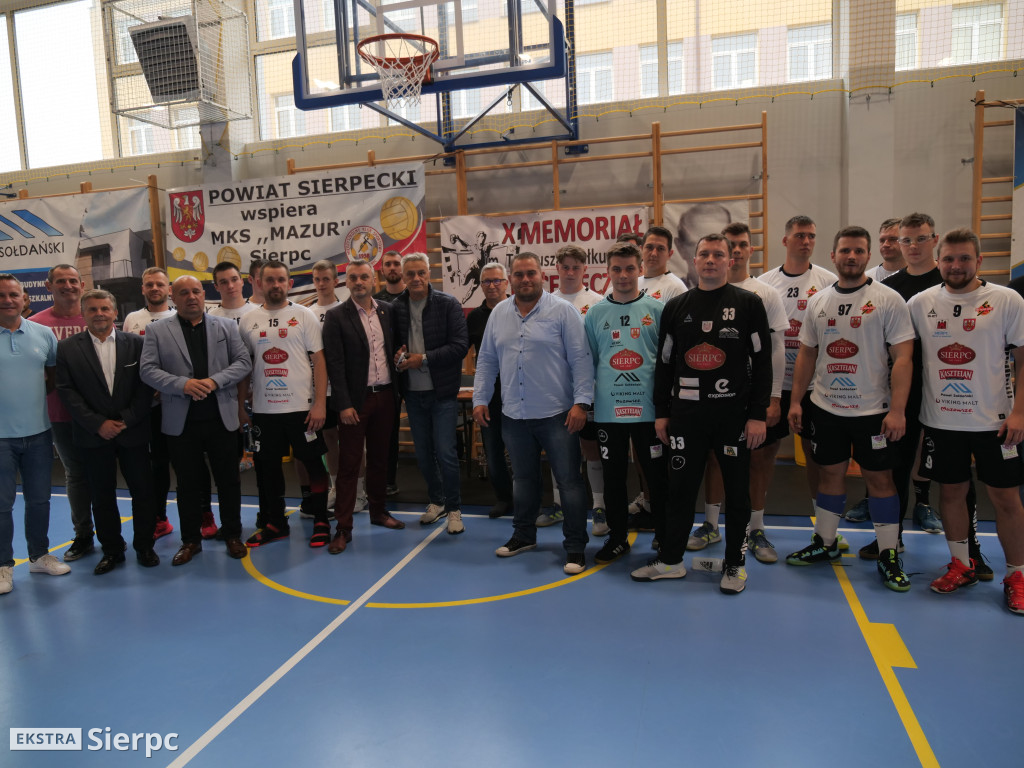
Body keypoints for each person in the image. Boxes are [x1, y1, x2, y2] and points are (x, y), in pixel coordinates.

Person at [636, 234, 771, 594]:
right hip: (686, 416)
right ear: (694, 261)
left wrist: (758, 414)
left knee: (737, 493)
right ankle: (670, 561)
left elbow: (762, 362)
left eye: (718, 254)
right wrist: (662, 412)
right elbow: (665, 364)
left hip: (733, 416)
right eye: (705, 254)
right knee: (680, 490)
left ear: (730, 260)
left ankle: (735, 564)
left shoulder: (749, 304)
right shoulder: (676, 306)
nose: (711, 260)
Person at [784, 227, 916, 592]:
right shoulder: (819, 301)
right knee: (829, 475)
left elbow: (903, 358)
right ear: (834, 256)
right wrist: (795, 401)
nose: (852, 256)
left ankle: (889, 553)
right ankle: (825, 542)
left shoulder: (888, 299)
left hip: (873, 411)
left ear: (868, 256)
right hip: (826, 408)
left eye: (859, 251)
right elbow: (807, 354)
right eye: (845, 251)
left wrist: (898, 410)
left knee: (881, 481)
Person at [908, 228, 1024, 614]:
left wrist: (1020, 413)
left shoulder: (1006, 300)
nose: (956, 266)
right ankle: (961, 565)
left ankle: (1018, 575)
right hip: (941, 420)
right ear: (938, 261)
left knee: (1006, 499)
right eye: (949, 259)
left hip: (995, 422)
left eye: (964, 258)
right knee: (951, 493)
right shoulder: (921, 303)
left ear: (979, 261)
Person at [473, 252, 595, 575]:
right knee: (524, 480)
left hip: (558, 414)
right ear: (511, 279)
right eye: (519, 274)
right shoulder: (499, 314)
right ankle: (524, 535)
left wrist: (582, 403)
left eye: (531, 273)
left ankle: (575, 547)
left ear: (542, 275)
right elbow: (486, 360)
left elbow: (581, 359)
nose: (525, 279)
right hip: (514, 415)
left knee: (569, 483)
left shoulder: (563, 311)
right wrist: (480, 398)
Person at [140, 276, 252, 565]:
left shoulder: (226, 326)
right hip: (181, 422)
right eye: (183, 292)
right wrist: (183, 385)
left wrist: (214, 382)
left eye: (195, 291)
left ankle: (232, 534)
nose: (191, 297)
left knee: (229, 481)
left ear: (204, 294)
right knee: (187, 484)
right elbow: (147, 370)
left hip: (221, 418)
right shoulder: (156, 330)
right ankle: (191, 540)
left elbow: (243, 362)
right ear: (173, 297)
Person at [697, 222, 789, 563]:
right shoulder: (702, 293)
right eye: (730, 244)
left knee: (760, 460)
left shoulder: (765, 294)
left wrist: (773, 398)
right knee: (714, 458)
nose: (735, 250)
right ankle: (710, 524)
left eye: (741, 245)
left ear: (750, 250)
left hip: (755, 396)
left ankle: (756, 528)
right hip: (715, 397)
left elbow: (775, 350)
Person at [56, 289, 160, 575]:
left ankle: (145, 546)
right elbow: (67, 392)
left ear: (115, 313)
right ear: (83, 314)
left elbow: (145, 387)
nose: (99, 314)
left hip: (133, 432)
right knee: (101, 496)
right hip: (93, 435)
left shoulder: (137, 344)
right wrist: (97, 423)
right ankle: (112, 550)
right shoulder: (66, 348)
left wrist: (126, 419)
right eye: (92, 309)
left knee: (143, 492)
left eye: (104, 309)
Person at [237, 261, 331, 548]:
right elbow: (244, 366)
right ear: (260, 283)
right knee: (267, 469)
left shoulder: (304, 315)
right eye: (270, 280)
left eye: (281, 280)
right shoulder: (248, 320)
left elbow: (319, 361)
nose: (275, 285)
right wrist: (241, 406)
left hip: (301, 409)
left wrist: (319, 404)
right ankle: (276, 523)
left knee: (313, 464)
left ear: (289, 284)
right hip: (265, 411)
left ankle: (321, 521)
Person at [584, 242, 667, 563]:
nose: (623, 275)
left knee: (656, 476)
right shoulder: (595, 314)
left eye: (630, 268)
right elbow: (590, 362)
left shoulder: (657, 310)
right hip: (609, 412)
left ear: (640, 270)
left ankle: (664, 535)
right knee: (614, 478)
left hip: (649, 412)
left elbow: (666, 363)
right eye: (616, 269)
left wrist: (666, 408)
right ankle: (618, 538)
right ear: (608, 272)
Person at [758, 215, 838, 530]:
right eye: (800, 235)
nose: (806, 241)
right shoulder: (765, 284)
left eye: (811, 236)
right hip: (775, 384)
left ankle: (824, 528)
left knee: (816, 457)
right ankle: (756, 526)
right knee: (764, 455)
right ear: (785, 240)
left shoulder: (828, 281)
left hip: (814, 387)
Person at [322, 259, 405, 553]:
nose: (359, 282)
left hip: (386, 396)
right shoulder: (336, 316)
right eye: (353, 277)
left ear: (373, 281)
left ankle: (378, 512)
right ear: (346, 282)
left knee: (381, 459)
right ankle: (343, 527)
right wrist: (344, 404)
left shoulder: (388, 311)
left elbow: (396, 348)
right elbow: (334, 364)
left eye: (364, 277)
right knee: (349, 464)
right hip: (355, 403)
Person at [0, 273, 70, 594]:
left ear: (24, 299)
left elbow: (52, 377)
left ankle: (39, 556)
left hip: (39, 434)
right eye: (1, 295)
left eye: (13, 295)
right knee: (2, 505)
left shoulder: (43, 334)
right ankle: (3, 565)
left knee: (40, 500)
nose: (7, 300)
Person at [392, 253, 469, 534]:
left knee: (446, 453)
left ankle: (455, 508)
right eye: (410, 274)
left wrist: (422, 359)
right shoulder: (395, 307)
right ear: (403, 277)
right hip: (412, 394)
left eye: (421, 273)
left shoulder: (448, 304)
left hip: (442, 393)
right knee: (423, 456)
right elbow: (390, 346)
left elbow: (460, 345)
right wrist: (397, 357)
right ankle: (437, 502)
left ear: (429, 273)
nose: (416, 278)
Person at [30, 264, 92, 561]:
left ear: (82, 284)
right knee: (76, 474)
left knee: (103, 473)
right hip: (59, 415)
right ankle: (83, 534)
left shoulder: (95, 316)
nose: (67, 286)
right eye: (60, 281)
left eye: (72, 280)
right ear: (48, 286)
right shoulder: (35, 325)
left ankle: (110, 534)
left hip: (99, 415)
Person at [543, 244, 606, 533]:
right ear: (557, 268)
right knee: (558, 450)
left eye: (576, 267)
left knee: (591, 448)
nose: (570, 272)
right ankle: (559, 505)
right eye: (565, 267)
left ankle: (600, 507)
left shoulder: (597, 302)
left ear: (584, 269)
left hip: (588, 389)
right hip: (556, 390)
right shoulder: (546, 302)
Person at [121, 266, 181, 540]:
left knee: (170, 462)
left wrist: (163, 386)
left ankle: (178, 516)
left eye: (159, 284)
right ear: (143, 288)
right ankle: (155, 516)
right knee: (146, 465)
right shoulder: (133, 319)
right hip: (141, 406)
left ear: (168, 289)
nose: (155, 288)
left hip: (171, 404)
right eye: (149, 284)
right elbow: (126, 361)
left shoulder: (178, 317)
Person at [297, 260, 347, 518]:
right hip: (317, 389)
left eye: (326, 279)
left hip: (342, 387)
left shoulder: (345, 309)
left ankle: (349, 488)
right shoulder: (308, 313)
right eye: (317, 279)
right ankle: (330, 487)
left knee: (347, 441)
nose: (321, 283)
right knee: (324, 440)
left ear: (335, 281)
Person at [466, 262, 514, 519]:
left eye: (497, 280)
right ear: (480, 285)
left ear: (506, 283)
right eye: (487, 281)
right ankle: (504, 498)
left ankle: (528, 499)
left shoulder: (519, 308)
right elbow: (460, 349)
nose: (492, 285)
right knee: (493, 452)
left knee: (522, 451)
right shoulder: (474, 317)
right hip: (490, 396)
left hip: (519, 393)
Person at [374, 249, 407, 496]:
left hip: (415, 369)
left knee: (426, 430)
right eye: (389, 264)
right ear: (382, 269)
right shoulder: (374, 301)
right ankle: (388, 480)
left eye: (397, 263)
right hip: (387, 374)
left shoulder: (413, 295)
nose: (393, 267)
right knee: (388, 429)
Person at [673, 202, 734, 288]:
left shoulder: (745, 294)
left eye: (718, 248)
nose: (710, 260)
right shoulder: (673, 294)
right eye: (701, 249)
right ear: (681, 248)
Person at [638, 226, 687, 304]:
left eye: (660, 249)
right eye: (649, 247)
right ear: (641, 250)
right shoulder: (634, 284)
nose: (654, 254)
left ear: (669, 254)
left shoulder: (676, 288)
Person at [869, 217, 906, 282]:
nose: (885, 245)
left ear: (906, 241)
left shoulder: (920, 276)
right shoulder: (868, 278)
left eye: (892, 239)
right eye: (882, 240)